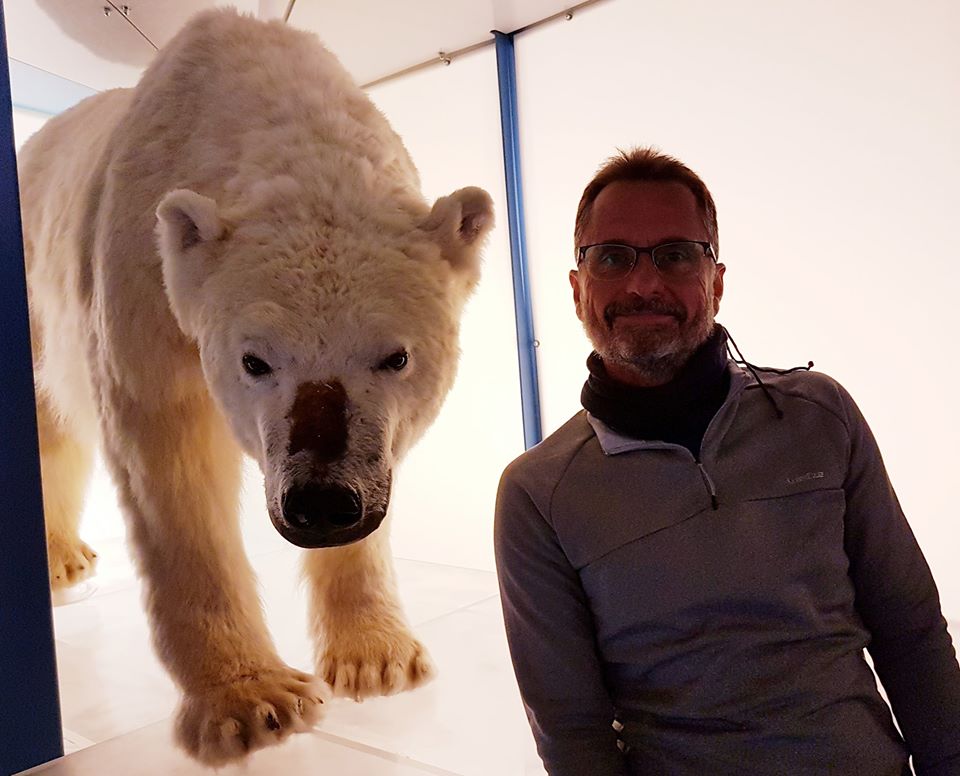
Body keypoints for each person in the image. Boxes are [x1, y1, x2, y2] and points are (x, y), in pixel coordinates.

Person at [494, 147, 960, 776]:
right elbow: (573, 734)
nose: (643, 284)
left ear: (716, 281)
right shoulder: (538, 494)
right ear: (578, 289)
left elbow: (912, 633)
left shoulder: (819, 417)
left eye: (675, 255)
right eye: (612, 257)